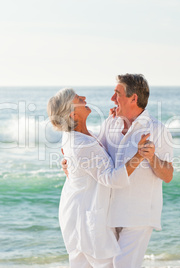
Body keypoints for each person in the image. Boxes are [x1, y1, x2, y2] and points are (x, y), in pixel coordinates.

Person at [63, 74, 174, 267]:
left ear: (133, 98)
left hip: (138, 214)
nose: (112, 99)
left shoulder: (157, 129)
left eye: (117, 94)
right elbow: (98, 156)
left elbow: (168, 175)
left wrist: (151, 157)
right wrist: (72, 163)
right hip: (108, 214)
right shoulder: (110, 123)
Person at [47, 88, 151, 268]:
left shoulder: (77, 136)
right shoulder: (82, 144)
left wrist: (110, 122)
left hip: (78, 214)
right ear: (73, 114)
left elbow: (94, 157)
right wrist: (139, 155)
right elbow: (112, 179)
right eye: (78, 99)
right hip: (86, 221)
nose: (84, 98)